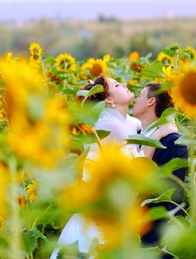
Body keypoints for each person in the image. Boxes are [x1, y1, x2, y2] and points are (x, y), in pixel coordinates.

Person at [50, 74, 143, 259]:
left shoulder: (131, 123)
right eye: (117, 84)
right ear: (109, 99)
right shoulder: (109, 127)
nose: (125, 83)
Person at [132, 83, 188, 255]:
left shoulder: (173, 142)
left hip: (154, 242)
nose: (135, 99)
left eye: (140, 95)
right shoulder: (136, 136)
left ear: (151, 101)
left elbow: (166, 195)